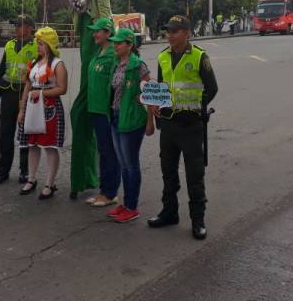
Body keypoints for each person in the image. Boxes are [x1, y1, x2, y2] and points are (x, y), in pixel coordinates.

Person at [148, 15, 218, 240]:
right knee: (168, 172)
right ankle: (169, 212)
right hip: (168, 124)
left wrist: (196, 107)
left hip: (190, 125)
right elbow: (160, 85)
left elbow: (212, 88)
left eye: (174, 31)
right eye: (168, 31)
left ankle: (198, 220)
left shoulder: (199, 56)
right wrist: (158, 103)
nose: (169, 35)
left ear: (186, 32)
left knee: (194, 175)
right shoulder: (163, 57)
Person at [59, 0, 112, 200]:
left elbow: (105, 10)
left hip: (95, 27)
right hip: (84, 28)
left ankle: (99, 182)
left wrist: (104, 34)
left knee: (87, 106)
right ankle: (84, 178)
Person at [104, 28, 154, 223]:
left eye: (118, 43)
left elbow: (150, 95)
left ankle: (132, 207)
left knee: (131, 165)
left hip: (132, 120)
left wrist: (150, 121)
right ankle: (125, 204)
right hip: (116, 117)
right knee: (123, 164)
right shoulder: (117, 64)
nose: (115, 45)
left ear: (129, 45)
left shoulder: (138, 66)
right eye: (114, 42)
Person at [17, 27, 68, 199]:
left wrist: (41, 93)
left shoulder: (57, 64)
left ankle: (49, 183)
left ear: (50, 45)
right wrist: (22, 110)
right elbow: (27, 86)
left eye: (41, 43)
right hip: (32, 107)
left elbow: (62, 89)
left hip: (49, 108)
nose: (37, 46)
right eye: (37, 43)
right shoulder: (33, 62)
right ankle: (31, 179)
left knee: (50, 147)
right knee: (32, 145)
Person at [0, 14, 37, 185]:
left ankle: (25, 171)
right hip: (8, 94)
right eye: (15, 25)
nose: (16, 28)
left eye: (20, 25)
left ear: (30, 28)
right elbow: (2, 69)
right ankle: (2, 170)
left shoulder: (36, 46)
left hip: (25, 95)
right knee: (5, 134)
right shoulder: (10, 44)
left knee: (25, 134)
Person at [84, 17, 120, 207]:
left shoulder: (113, 55)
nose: (94, 34)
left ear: (107, 33)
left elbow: (116, 86)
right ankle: (105, 190)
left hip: (106, 112)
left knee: (109, 152)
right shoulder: (99, 52)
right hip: (95, 110)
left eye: (97, 31)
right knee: (103, 151)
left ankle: (110, 192)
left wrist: (111, 110)